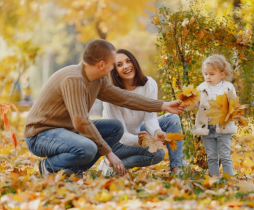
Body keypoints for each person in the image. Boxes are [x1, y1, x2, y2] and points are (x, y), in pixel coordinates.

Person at [23, 39, 184, 178]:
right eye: (113, 64)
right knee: (88, 147)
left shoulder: (97, 81)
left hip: (66, 132)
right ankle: (48, 166)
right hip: (41, 135)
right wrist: (109, 153)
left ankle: (74, 170)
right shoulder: (73, 79)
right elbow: (81, 122)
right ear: (101, 65)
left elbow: (125, 98)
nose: (113, 69)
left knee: (115, 128)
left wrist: (163, 105)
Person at [98, 49, 184, 175]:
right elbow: (121, 135)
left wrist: (157, 131)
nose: (126, 66)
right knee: (158, 153)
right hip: (115, 143)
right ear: (114, 71)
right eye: (119, 65)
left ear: (134, 62)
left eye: (128, 61)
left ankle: (177, 168)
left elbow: (150, 117)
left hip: (137, 132)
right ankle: (110, 165)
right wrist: (142, 141)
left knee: (172, 118)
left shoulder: (149, 84)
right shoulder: (111, 95)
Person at [192, 54, 237, 177]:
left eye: (212, 74)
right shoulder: (201, 88)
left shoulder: (228, 87)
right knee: (211, 156)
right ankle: (214, 179)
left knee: (225, 155)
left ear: (222, 74)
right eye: (205, 74)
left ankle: (229, 179)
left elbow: (234, 105)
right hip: (207, 128)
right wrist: (185, 103)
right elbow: (194, 103)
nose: (208, 77)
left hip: (223, 127)